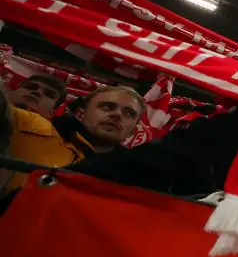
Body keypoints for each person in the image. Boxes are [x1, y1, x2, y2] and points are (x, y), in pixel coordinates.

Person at [1, 84, 144, 196]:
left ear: (132, 131)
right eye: (107, 107)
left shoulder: (134, 179)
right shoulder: (32, 125)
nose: (117, 114)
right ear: (81, 114)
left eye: (129, 114)